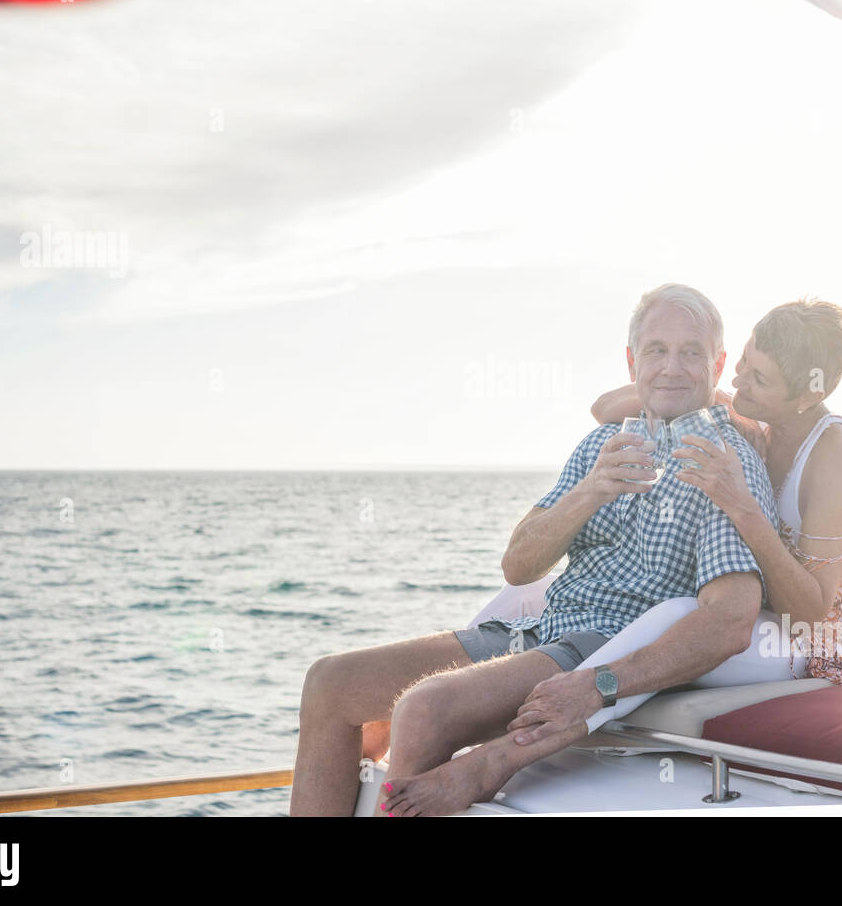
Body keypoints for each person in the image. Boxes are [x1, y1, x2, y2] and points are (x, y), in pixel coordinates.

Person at [380, 298, 842, 817]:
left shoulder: (838, 454)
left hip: (817, 640)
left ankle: (499, 757)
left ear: (806, 395)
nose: (739, 384)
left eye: (759, 380)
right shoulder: (754, 414)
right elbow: (605, 404)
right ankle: (448, 693)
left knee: (677, 614)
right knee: (528, 593)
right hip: (766, 614)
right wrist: (669, 386)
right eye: (742, 364)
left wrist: (742, 508)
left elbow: (815, 610)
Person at [290, 283, 781, 816]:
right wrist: (591, 489)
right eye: (657, 350)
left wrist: (602, 683)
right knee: (328, 683)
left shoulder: (723, 462)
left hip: (597, 647)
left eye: (692, 352)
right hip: (536, 631)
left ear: (718, 363)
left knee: (423, 710)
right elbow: (519, 564)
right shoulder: (602, 443)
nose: (672, 368)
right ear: (631, 360)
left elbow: (731, 619)